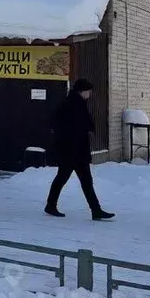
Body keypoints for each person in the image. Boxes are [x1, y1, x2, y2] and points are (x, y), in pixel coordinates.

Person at [44, 79, 114, 220]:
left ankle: (95, 210)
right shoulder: (71, 105)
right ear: (81, 91)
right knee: (64, 179)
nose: (90, 94)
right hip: (71, 150)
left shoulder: (77, 103)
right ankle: (51, 205)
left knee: (83, 180)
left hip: (76, 151)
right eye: (88, 91)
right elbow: (63, 126)